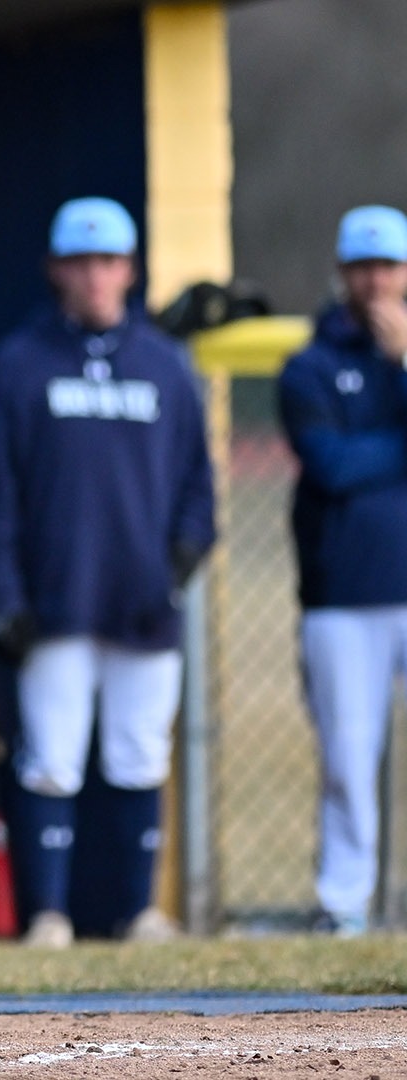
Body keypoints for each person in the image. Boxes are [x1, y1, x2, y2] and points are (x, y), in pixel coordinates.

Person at [0, 197, 215, 948]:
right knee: (51, 760)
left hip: (144, 604)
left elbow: (198, 488)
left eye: (108, 262)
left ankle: (137, 911)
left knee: (140, 753)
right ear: (55, 271)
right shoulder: (17, 365)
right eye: (80, 263)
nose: (96, 277)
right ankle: (49, 916)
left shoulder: (165, 367)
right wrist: (5, 596)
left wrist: (178, 560)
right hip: (56, 602)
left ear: (130, 270)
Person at [277, 204, 407, 938]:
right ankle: (344, 901)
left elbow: (357, 459)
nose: (375, 283)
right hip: (342, 593)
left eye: (387, 268)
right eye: (362, 269)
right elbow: (328, 465)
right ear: (341, 273)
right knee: (348, 756)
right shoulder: (310, 364)